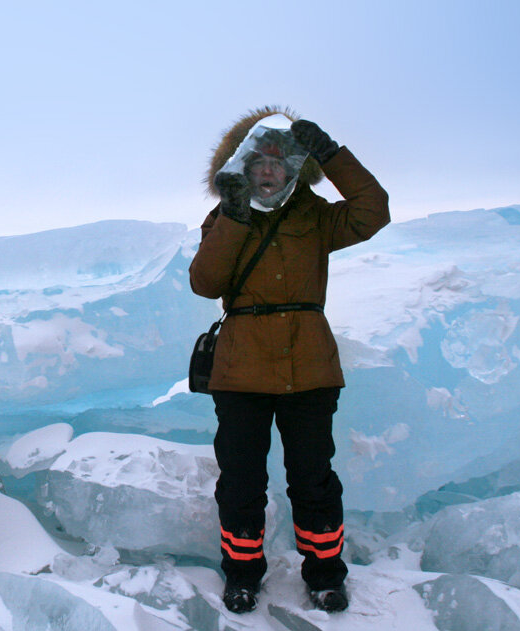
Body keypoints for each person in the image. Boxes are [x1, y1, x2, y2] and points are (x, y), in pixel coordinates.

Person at [189, 106, 389, 614]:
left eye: (282, 160)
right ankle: (242, 575)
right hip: (240, 375)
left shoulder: (315, 216)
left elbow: (373, 211)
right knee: (241, 482)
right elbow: (205, 283)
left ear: (297, 167)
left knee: (313, 479)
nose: (270, 169)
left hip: (309, 370)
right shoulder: (224, 217)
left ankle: (325, 576)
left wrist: (333, 155)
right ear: (245, 165)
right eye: (261, 159)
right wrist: (235, 213)